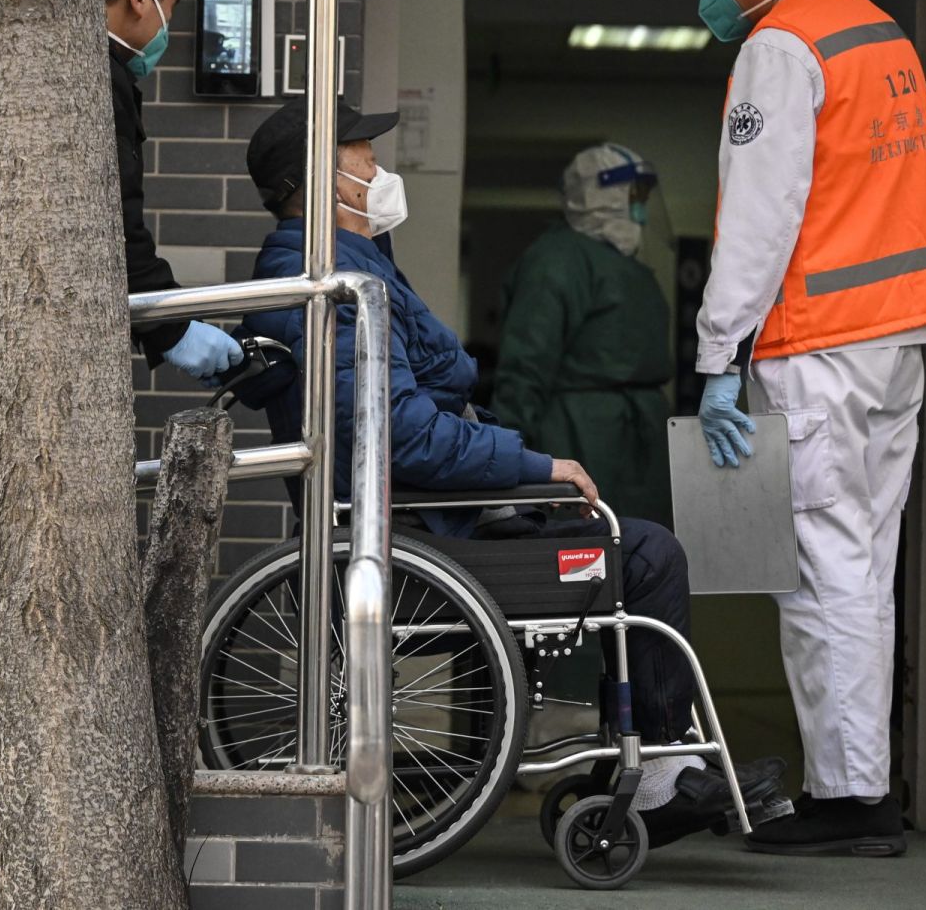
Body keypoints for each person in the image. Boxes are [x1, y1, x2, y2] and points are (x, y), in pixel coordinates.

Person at [239, 97, 782, 840]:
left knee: (635, 545)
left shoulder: (351, 266)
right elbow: (399, 435)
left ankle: (654, 764)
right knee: (648, 555)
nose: (380, 170)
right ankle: (659, 774)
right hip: (424, 533)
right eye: (367, 156)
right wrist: (531, 465)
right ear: (326, 178)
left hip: (430, 518)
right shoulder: (332, 280)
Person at [0, 0, 246, 788]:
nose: (170, 26)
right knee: (20, 590)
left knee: (8, 582)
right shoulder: (93, 74)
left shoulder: (27, 65)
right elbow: (109, 233)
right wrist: (173, 329)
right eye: (173, 3)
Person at [681, 0, 926, 856]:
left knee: (821, 569)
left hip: (819, 344)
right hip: (895, 343)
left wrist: (717, 352)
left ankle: (852, 798)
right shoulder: (875, 29)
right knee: (865, 560)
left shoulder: (781, 44)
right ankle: (858, 782)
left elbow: (760, 217)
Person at [492, 143, 676, 527]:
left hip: (638, 438)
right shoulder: (556, 261)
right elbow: (525, 366)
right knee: (588, 540)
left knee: (644, 540)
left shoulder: (626, 265)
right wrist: (509, 457)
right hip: (581, 432)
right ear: (602, 197)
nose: (640, 207)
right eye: (634, 195)